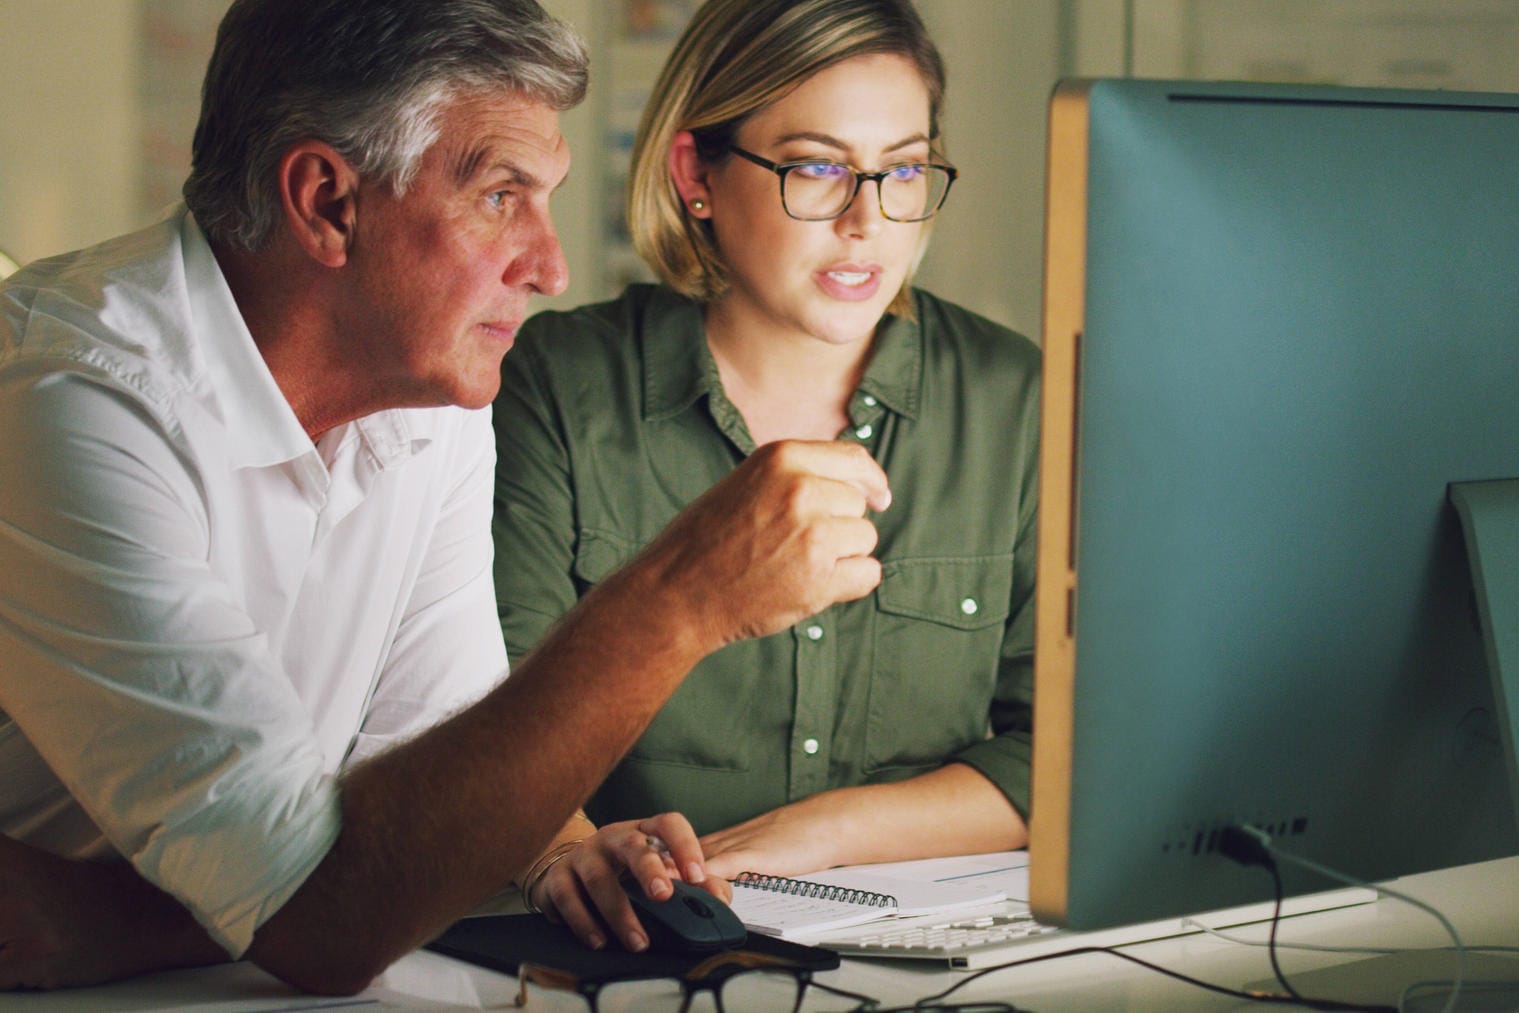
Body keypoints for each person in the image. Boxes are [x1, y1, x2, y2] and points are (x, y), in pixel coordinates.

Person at [0, 0, 890, 995]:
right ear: (328, 202)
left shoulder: (431, 390)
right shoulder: (69, 402)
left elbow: (436, 803)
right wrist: (682, 597)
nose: (550, 267)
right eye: (503, 196)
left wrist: (126, 916)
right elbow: (326, 918)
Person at [491, 0, 1040, 938]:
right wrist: (562, 850)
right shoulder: (558, 383)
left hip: (931, 951)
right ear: (694, 173)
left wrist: (811, 835)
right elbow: (480, 715)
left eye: (902, 169)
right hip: (630, 947)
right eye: (818, 168)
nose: (868, 220)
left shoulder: (1010, 395)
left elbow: (1064, 756)